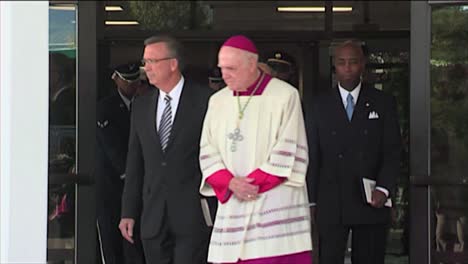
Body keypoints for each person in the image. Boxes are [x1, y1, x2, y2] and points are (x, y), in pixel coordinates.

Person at [199, 35, 312, 264]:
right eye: (222, 68)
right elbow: (207, 150)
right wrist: (230, 183)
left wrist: (249, 185)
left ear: (252, 64)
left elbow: (289, 151)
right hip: (233, 205)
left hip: (275, 206)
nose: (224, 75)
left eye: (231, 68)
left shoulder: (285, 96)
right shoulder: (217, 101)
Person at [119, 35, 215, 264]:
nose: (146, 68)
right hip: (153, 216)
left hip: (192, 214)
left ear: (173, 63)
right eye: (145, 62)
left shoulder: (206, 101)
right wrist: (128, 211)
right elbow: (135, 163)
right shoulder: (141, 106)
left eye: (152, 61)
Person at [305, 40, 401, 264]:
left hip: (370, 200)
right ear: (334, 66)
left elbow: (392, 151)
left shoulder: (383, 102)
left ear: (363, 65)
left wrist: (384, 188)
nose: (347, 68)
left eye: (353, 62)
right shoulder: (318, 105)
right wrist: (311, 202)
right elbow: (312, 155)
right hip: (331, 201)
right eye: (341, 63)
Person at [96, 62, 146, 264]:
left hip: (137, 184)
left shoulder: (144, 104)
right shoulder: (105, 107)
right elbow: (112, 147)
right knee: (111, 240)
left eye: (135, 80)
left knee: (135, 240)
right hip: (112, 185)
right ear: (115, 79)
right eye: (127, 80)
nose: (132, 85)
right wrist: (129, 174)